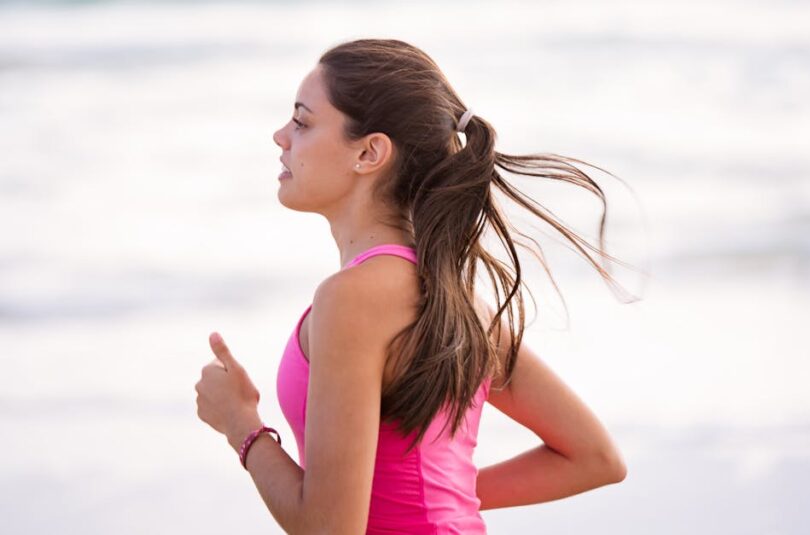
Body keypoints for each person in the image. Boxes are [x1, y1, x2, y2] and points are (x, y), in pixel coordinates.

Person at [195, 38, 632, 534]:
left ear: (369, 152)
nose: (280, 136)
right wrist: (443, 499)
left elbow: (329, 529)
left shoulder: (351, 299)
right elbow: (594, 457)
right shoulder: (456, 299)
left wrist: (241, 424)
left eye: (302, 121)